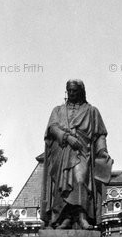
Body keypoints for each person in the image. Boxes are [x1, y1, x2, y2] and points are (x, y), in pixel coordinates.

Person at [40, 79, 113, 229]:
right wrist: (67, 137)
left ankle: (82, 217)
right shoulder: (58, 110)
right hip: (61, 152)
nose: (72, 93)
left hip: (82, 152)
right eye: (69, 91)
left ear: (81, 92)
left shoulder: (92, 111)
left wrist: (102, 151)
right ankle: (65, 218)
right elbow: (52, 128)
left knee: (80, 180)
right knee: (61, 186)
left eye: (75, 91)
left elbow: (100, 135)